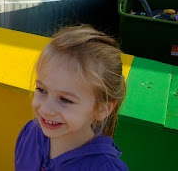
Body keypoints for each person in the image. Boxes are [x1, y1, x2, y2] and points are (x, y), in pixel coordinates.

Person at [15, 25, 129, 171]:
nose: (46, 109)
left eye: (65, 100)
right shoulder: (30, 134)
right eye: (42, 90)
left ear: (102, 108)